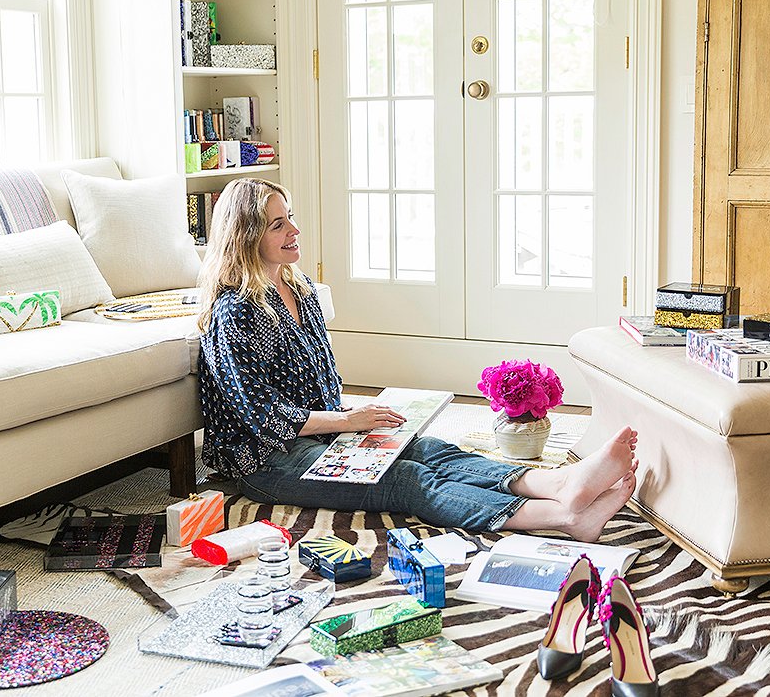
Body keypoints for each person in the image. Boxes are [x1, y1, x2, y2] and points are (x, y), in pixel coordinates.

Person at [197, 178, 638, 541]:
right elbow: (263, 418)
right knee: (406, 478)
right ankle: (562, 518)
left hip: (323, 434)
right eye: (278, 224)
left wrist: (353, 415)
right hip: (266, 460)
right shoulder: (235, 311)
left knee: (432, 449)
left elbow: (319, 385)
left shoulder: (301, 290)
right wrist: (349, 422)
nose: (294, 229)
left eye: (290, 216)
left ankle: (558, 484)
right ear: (248, 237)